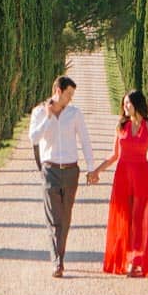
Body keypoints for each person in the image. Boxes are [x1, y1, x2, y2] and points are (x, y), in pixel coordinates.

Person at [28, 75, 98, 277]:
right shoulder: (39, 112)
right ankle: (57, 261)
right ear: (58, 91)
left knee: (65, 218)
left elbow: (84, 140)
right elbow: (34, 138)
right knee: (52, 218)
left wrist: (91, 167)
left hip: (70, 170)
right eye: (68, 94)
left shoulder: (75, 114)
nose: (70, 99)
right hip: (49, 170)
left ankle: (60, 255)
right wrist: (48, 117)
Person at [94, 89, 148, 277]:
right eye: (124, 104)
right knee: (124, 218)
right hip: (122, 177)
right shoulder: (120, 128)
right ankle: (125, 257)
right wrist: (97, 171)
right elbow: (114, 155)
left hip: (142, 177)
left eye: (128, 104)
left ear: (137, 105)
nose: (125, 108)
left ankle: (136, 260)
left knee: (139, 220)